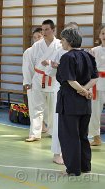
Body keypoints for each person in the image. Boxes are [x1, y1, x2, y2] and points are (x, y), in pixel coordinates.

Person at [56, 28, 98, 176]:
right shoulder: (88, 55)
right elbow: (94, 78)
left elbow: (70, 80)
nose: (61, 42)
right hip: (84, 103)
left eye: (62, 39)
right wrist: (85, 90)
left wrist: (81, 90)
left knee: (69, 136)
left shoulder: (68, 57)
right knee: (82, 135)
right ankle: (85, 166)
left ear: (69, 41)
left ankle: (73, 170)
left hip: (70, 102)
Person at [46, 22, 79, 165]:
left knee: (74, 124)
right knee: (59, 122)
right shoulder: (59, 51)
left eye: (74, 31)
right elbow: (49, 72)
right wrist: (55, 67)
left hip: (76, 91)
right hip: (61, 90)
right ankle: (56, 152)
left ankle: (70, 152)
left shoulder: (81, 52)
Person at [25, 19, 62, 142]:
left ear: (53, 30)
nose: (44, 32)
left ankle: (52, 131)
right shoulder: (36, 46)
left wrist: (51, 64)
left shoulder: (60, 45)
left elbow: (62, 63)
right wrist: (27, 81)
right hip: (38, 78)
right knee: (36, 107)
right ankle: (35, 133)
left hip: (53, 79)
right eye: (43, 29)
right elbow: (29, 64)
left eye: (47, 29)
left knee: (53, 108)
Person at [22, 27, 48, 133]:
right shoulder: (29, 51)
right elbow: (26, 68)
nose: (37, 39)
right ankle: (36, 130)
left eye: (39, 37)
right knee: (34, 107)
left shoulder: (51, 48)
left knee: (49, 107)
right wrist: (28, 82)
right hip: (34, 81)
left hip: (49, 81)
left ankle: (49, 128)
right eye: (34, 37)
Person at [88, 25, 105, 146]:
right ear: (99, 36)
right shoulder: (94, 50)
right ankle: (96, 137)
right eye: (103, 33)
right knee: (94, 111)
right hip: (97, 83)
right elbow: (89, 69)